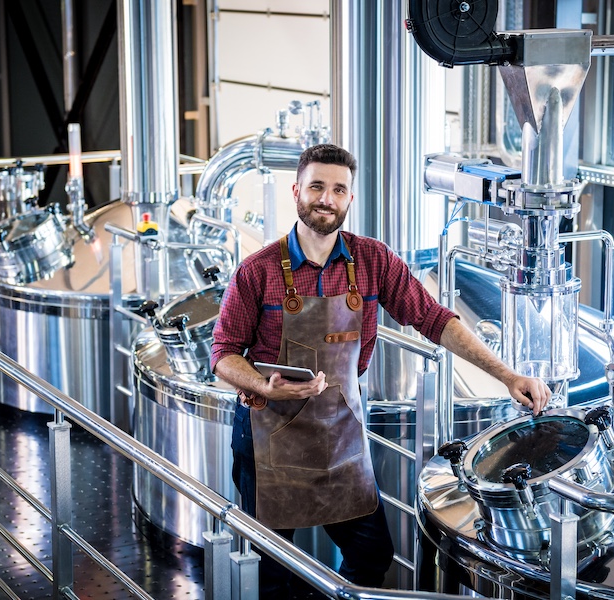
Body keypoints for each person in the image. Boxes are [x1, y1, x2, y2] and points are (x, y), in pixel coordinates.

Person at [210, 143, 550, 598]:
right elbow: (222, 353)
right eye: (316, 187)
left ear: (350, 199)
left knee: (372, 554)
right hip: (268, 436)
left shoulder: (373, 260)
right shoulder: (257, 271)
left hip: (339, 435)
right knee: (272, 569)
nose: (326, 199)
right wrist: (261, 385)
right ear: (296, 191)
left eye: (338, 189)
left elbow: (435, 318)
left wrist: (508, 376)